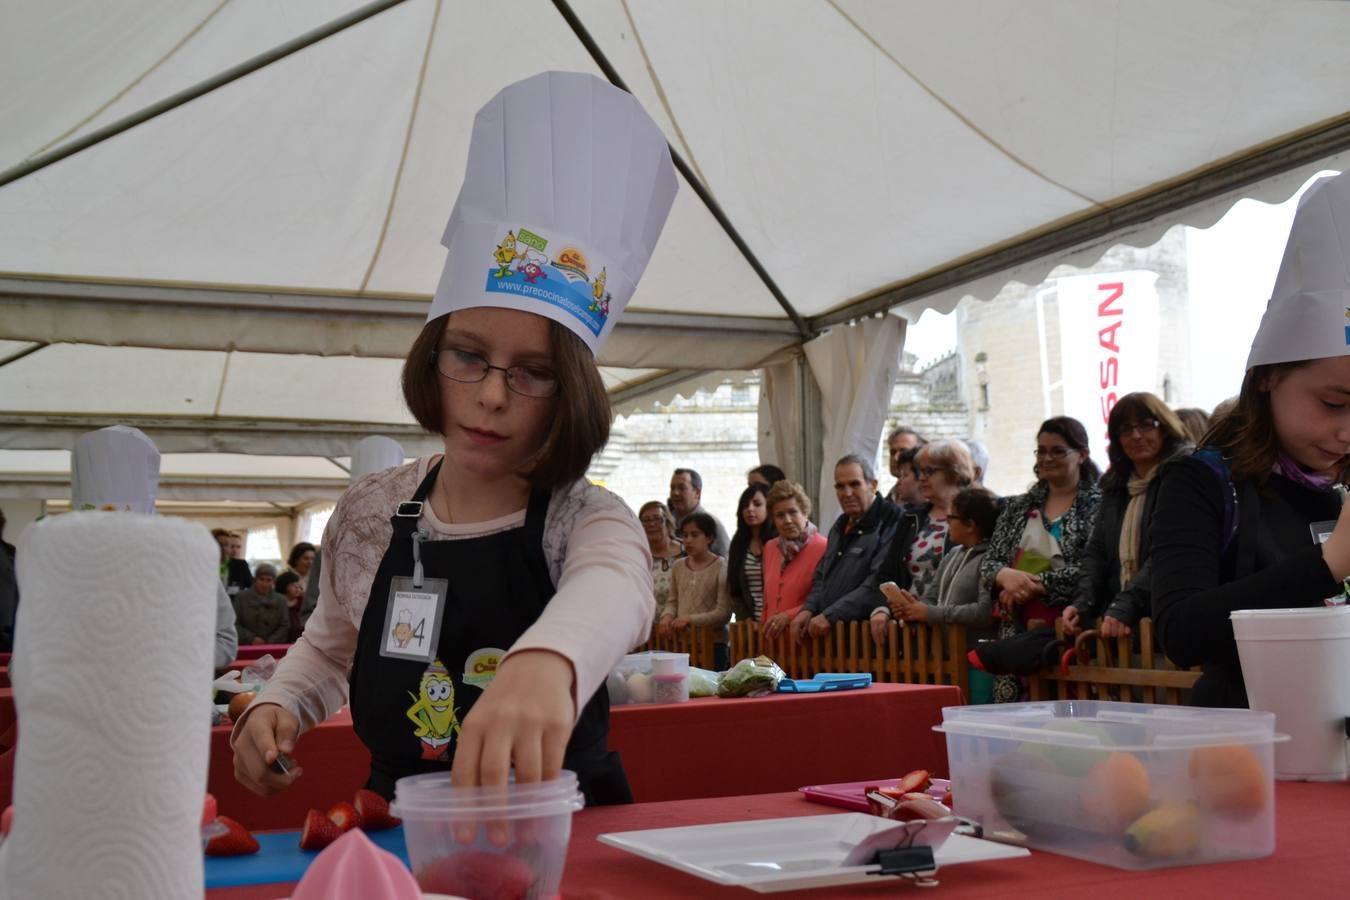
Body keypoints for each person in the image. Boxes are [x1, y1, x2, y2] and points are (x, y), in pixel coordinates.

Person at [232, 71, 675, 803]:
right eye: (469, 355)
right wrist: (282, 703)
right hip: (405, 825)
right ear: (432, 358)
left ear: (572, 397)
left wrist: (547, 660)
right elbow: (332, 643)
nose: (492, 395)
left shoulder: (584, 518)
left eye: (533, 372)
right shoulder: (373, 511)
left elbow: (615, 591)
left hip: (561, 829)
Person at [1151, 172, 1350, 708]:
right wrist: (1331, 562)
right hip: (1244, 750)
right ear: (1268, 376)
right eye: (1333, 403)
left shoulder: (1341, 487)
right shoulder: (1203, 481)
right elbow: (1181, 632)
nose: (1347, 432)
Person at [71, 426, 238, 669]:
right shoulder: (63, 563)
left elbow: (225, 641)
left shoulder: (186, 556)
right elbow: (23, 655)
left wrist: (166, 659)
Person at [979, 417, 1102, 702]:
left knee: (1071, 720)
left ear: (1081, 455)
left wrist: (1036, 584)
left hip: (1073, 626)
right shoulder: (1017, 507)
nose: (1047, 458)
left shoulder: (1100, 504)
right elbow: (990, 562)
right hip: (1016, 628)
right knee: (1017, 723)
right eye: (1041, 450)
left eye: (1058, 451)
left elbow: (1093, 566)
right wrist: (1005, 576)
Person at [1063, 394, 1191, 638]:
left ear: (1164, 428)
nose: (1136, 436)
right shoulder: (1114, 486)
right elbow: (1096, 553)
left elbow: (1167, 554)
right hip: (1118, 622)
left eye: (1146, 425)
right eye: (1126, 429)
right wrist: (1083, 604)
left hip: (1169, 617)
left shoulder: (1184, 476)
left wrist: (1126, 606)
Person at [871, 485, 1000, 647]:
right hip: (940, 655)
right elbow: (931, 598)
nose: (946, 524)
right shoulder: (952, 554)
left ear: (970, 525)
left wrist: (929, 613)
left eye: (951, 518)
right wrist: (912, 610)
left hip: (972, 658)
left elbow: (984, 613)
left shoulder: (990, 559)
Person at [789, 454, 901, 639]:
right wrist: (808, 609)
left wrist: (830, 615)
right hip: (833, 636)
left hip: (870, 639)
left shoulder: (892, 521)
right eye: (840, 486)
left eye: (854, 484)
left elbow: (878, 581)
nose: (847, 493)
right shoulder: (840, 525)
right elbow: (821, 577)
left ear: (873, 485)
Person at [866, 440, 976, 609]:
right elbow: (886, 574)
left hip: (951, 624)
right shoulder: (910, 518)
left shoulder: (974, 519)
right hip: (907, 625)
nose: (922, 478)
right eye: (920, 471)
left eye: (929, 471)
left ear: (953, 472)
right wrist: (882, 610)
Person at [657, 512, 732, 669]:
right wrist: (666, 617)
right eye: (685, 535)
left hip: (713, 643)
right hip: (682, 644)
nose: (688, 540)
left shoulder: (722, 566)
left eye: (695, 535)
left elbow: (723, 613)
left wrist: (690, 619)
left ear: (709, 538)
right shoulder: (678, 566)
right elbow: (672, 602)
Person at [759, 480, 828, 639]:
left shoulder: (824, 547)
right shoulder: (770, 547)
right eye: (780, 515)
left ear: (805, 512)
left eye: (793, 512)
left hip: (805, 639)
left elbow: (825, 597)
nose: (787, 520)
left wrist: (789, 615)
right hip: (772, 641)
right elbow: (767, 599)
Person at [726, 483, 777, 624]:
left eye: (757, 504)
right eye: (745, 505)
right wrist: (745, 617)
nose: (750, 509)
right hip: (750, 625)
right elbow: (734, 588)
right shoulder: (738, 543)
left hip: (777, 621)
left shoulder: (778, 541)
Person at [667, 468, 729, 556]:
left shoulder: (712, 524)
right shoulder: (665, 522)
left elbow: (726, 561)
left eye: (682, 488)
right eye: (672, 488)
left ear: (697, 493)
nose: (675, 493)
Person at [638, 501, 683, 621]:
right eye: (646, 521)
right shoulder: (639, 557)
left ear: (667, 522)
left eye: (657, 519)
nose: (652, 524)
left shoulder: (688, 550)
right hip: (652, 630)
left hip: (685, 626)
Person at [234, 563, 288, 646]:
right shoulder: (241, 597)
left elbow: (284, 625)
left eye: (268, 580)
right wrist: (251, 638)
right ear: (255, 580)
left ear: (273, 582)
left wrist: (269, 641)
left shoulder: (281, 600)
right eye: (261, 579)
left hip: (272, 647)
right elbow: (234, 623)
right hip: (246, 646)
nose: (264, 584)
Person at [885, 426, 926, 505]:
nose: (896, 458)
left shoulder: (931, 505)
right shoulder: (889, 498)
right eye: (893, 452)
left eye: (904, 451)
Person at [275, 571, 315, 643]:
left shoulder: (303, 603)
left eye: (298, 585)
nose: (297, 588)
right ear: (284, 586)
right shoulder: (277, 603)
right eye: (293, 585)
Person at [213, 529, 253, 599]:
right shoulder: (205, 566)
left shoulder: (241, 565)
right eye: (219, 544)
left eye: (226, 544)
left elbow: (253, 588)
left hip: (234, 607)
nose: (223, 548)